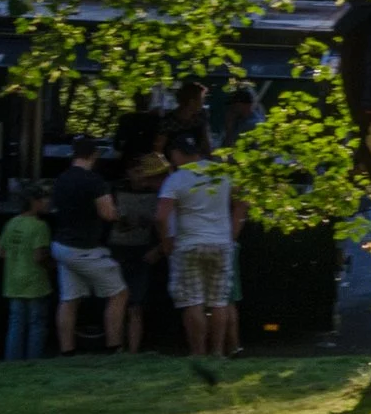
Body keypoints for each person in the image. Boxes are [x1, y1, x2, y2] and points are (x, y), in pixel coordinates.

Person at [158, 130, 243, 356]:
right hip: (220, 244)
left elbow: (161, 215)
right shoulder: (222, 173)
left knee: (193, 301)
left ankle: (198, 353)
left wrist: (166, 242)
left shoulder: (175, 180)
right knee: (218, 301)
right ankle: (217, 352)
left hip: (189, 245)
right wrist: (232, 233)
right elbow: (242, 203)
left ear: (176, 154)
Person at [49, 136, 124, 355]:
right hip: (84, 249)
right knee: (119, 293)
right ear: (95, 155)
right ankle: (114, 347)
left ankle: (67, 351)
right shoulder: (94, 181)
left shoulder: (61, 179)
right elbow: (107, 213)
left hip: (61, 246)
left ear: (73, 153)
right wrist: (120, 215)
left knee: (69, 299)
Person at [109, 150, 169, 352]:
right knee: (117, 302)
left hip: (142, 251)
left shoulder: (159, 193)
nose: (141, 175)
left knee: (136, 305)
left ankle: (133, 351)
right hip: (118, 250)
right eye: (136, 171)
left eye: (143, 171)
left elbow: (162, 223)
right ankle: (116, 348)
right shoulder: (115, 190)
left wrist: (157, 249)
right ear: (128, 172)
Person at [0, 184, 54, 361]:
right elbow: (38, 256)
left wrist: (17, 254)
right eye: (43, 198)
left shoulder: (12, 223)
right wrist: (51, 264)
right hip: (34, 281)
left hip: (13, 280)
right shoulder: (39, 226)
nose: (47, 202)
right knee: (36, 323)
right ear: (34, 202)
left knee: (16, 323)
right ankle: (33, 360)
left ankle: (12, 360)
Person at [165, 79, 213, 158]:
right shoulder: (169, 121)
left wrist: (211, 158)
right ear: (192, 102)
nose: (203, 102)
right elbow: (158, 149)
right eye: (202, 99)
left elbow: (206, 141)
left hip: (197, 161)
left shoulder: (201, 116)